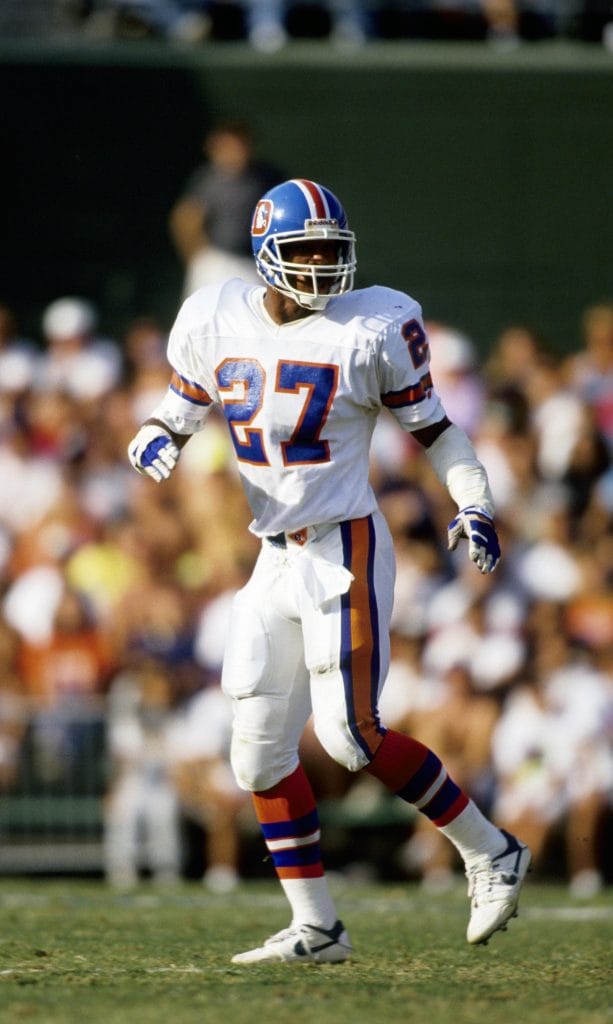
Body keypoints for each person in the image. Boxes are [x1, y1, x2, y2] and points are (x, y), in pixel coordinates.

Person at [127, 177, 530, 964]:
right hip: (271, 551)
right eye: (304, 250)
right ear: (264, 253)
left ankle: (490, 850)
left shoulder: (372, 323)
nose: (321, 266)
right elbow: (181, 403)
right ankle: (317, 926)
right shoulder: (213, 314)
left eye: (330, 251)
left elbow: (438, 432)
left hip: (343, 541)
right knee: (256, 750)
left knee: (348, 733)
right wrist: (157, 433)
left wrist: (474, 502)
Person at [168, 121, 284, 300]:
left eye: (239, 144)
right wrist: (198, 258)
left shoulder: (267, 177)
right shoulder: (207, 180)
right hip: (217, 261)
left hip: (255, 265)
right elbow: (184, 218)